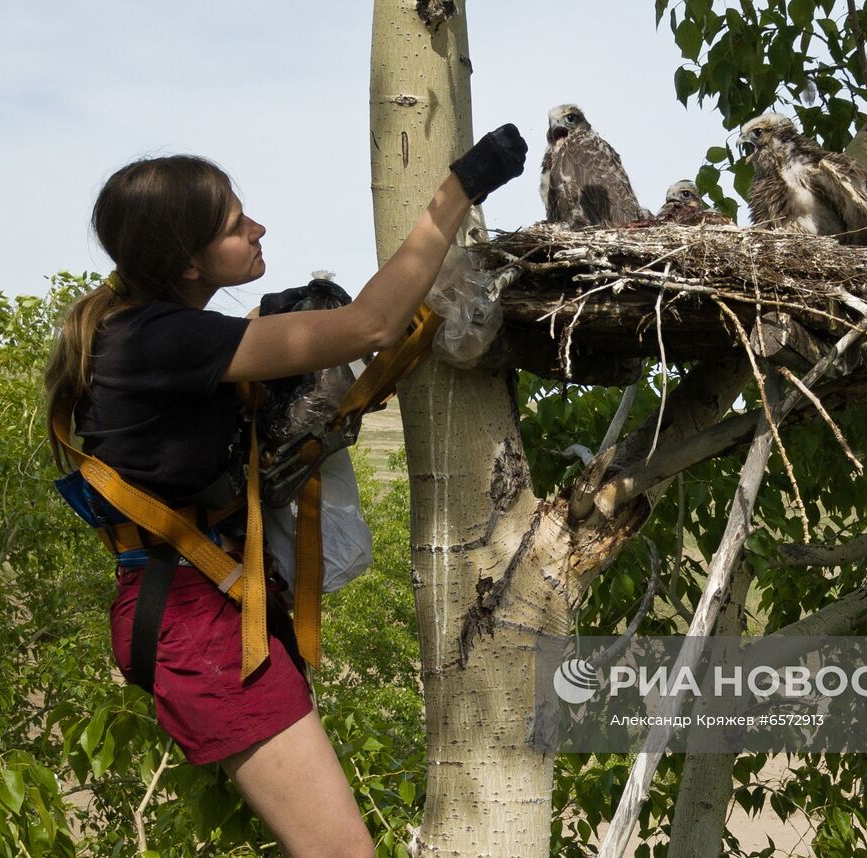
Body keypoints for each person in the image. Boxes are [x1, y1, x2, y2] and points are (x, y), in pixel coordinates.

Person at [43, 125, 527, 856]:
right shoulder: (160, 340)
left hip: (198, 609)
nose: (258, 227)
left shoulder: (146, 333)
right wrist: (458, 190)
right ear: (184, 261)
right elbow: (372, 324)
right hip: (195, 623)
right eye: (237, 225)